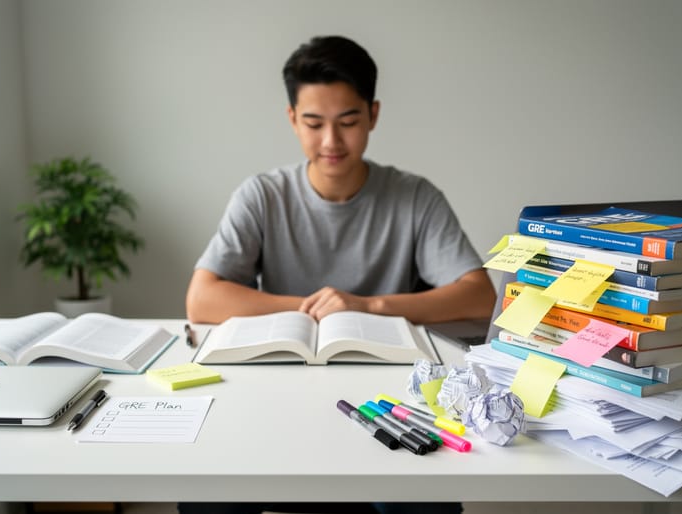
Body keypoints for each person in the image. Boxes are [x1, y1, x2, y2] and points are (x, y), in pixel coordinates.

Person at [181, 35, 496, 514]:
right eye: (313, 123)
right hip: (277, 391)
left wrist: (367, 305)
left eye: (348, 121)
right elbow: (201, 300)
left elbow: (479, 297)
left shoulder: (414, 197)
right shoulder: (262, 195)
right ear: (292, 119)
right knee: (210, 498)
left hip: (392, 394)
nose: (331, 141)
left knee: (419, 502)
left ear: (373, 114)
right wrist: (316, 310)